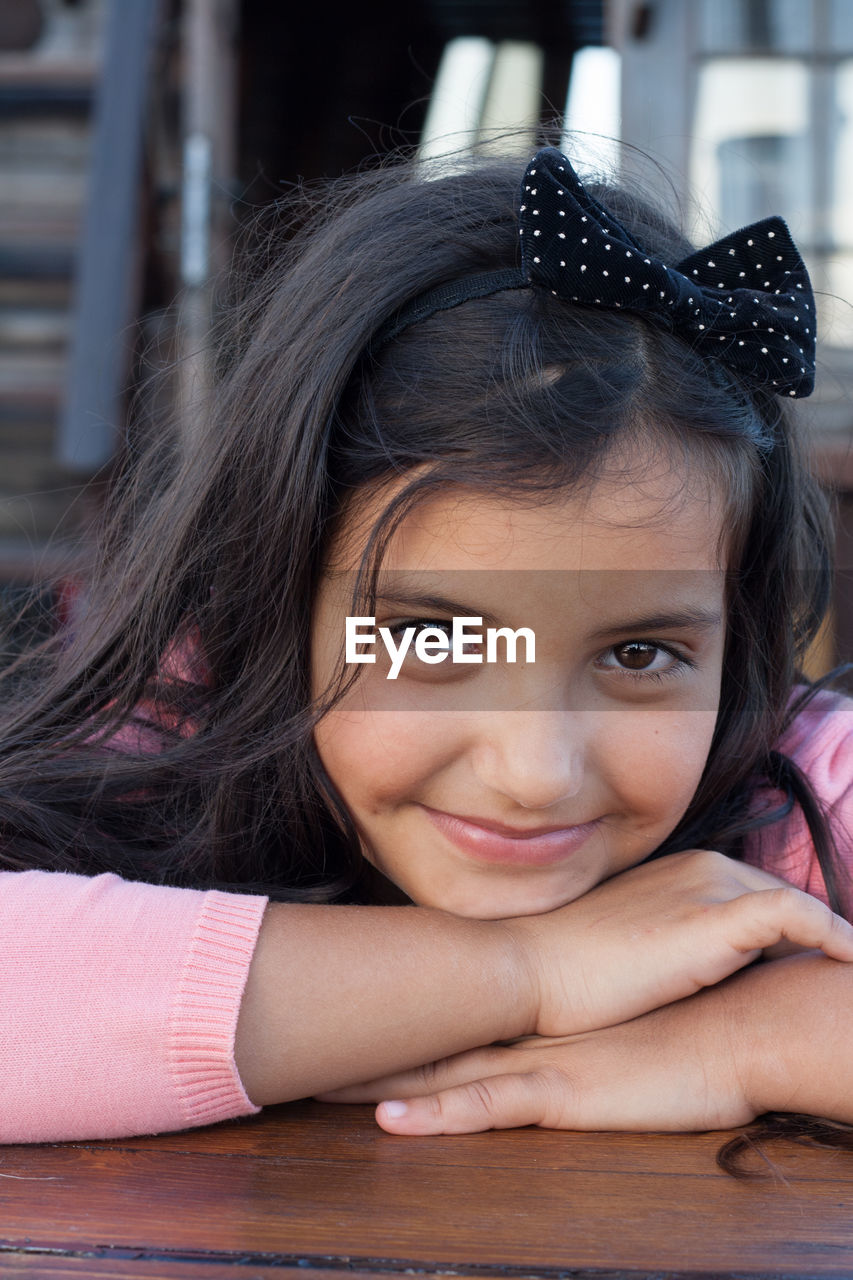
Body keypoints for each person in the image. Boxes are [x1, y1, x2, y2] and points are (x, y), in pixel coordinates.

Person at [2, 143, 853, 1155]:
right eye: (429, 635)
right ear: (277, 599)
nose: (534, 774)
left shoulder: (797, 797)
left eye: (638, 655)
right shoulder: (182, 747)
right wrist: (528, 969)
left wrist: (754, 1040)